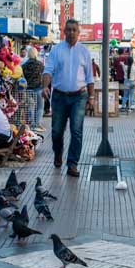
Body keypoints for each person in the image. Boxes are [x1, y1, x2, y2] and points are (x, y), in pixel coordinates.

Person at [42, 19, 94, 177]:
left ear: (79, 33)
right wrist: (45, 86)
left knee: (76, 131)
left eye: (74, 30)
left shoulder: (84, 52)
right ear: (64, 32)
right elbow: (48, 71)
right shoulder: (56, 50)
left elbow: (90, 78)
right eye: (68, 30)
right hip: (59, 96)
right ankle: (58, 154)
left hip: (79, 96)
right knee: (57, 131)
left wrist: (91, 98)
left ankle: (72, 164)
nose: (71, 33)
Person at [22, 46, 45, 131]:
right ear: (36, 54)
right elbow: (44, 75)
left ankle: (31, 124)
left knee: (30, 106)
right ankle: (37, 124)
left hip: (28, 89)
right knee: (40, 107)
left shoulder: (24, 65)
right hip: (38, 88)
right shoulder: (40, 64)